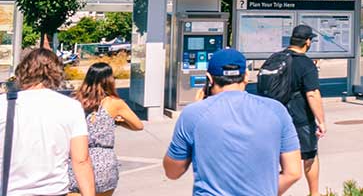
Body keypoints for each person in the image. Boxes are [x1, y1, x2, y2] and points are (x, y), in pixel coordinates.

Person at [163, 48, 303, 196]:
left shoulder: (193, 114)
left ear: (209, 79)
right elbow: (293, 172)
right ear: (246, 76)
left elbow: (173, 171)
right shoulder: (276, 110)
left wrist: (198, 107)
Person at [0, 48, 96, 196]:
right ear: (57, 73)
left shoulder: (3, 104)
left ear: (22, 71)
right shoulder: (70, 107)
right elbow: (81, 160)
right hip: (54, 191)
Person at [68, 62, 144, 196]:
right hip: (104, 163)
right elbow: (138, 125)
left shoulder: (75, 101)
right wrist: (118, 122)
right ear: (109, 80)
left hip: (78, 158)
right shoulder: (115, 103)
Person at [278, 25, 326, 196]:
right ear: (307, 41)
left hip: (274, 117)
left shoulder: (276, 58)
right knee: (309, 155)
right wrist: (321, 121)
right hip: (300, 118)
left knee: (279, 157)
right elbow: (312, 94)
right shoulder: (305, 63)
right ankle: (314, 193)